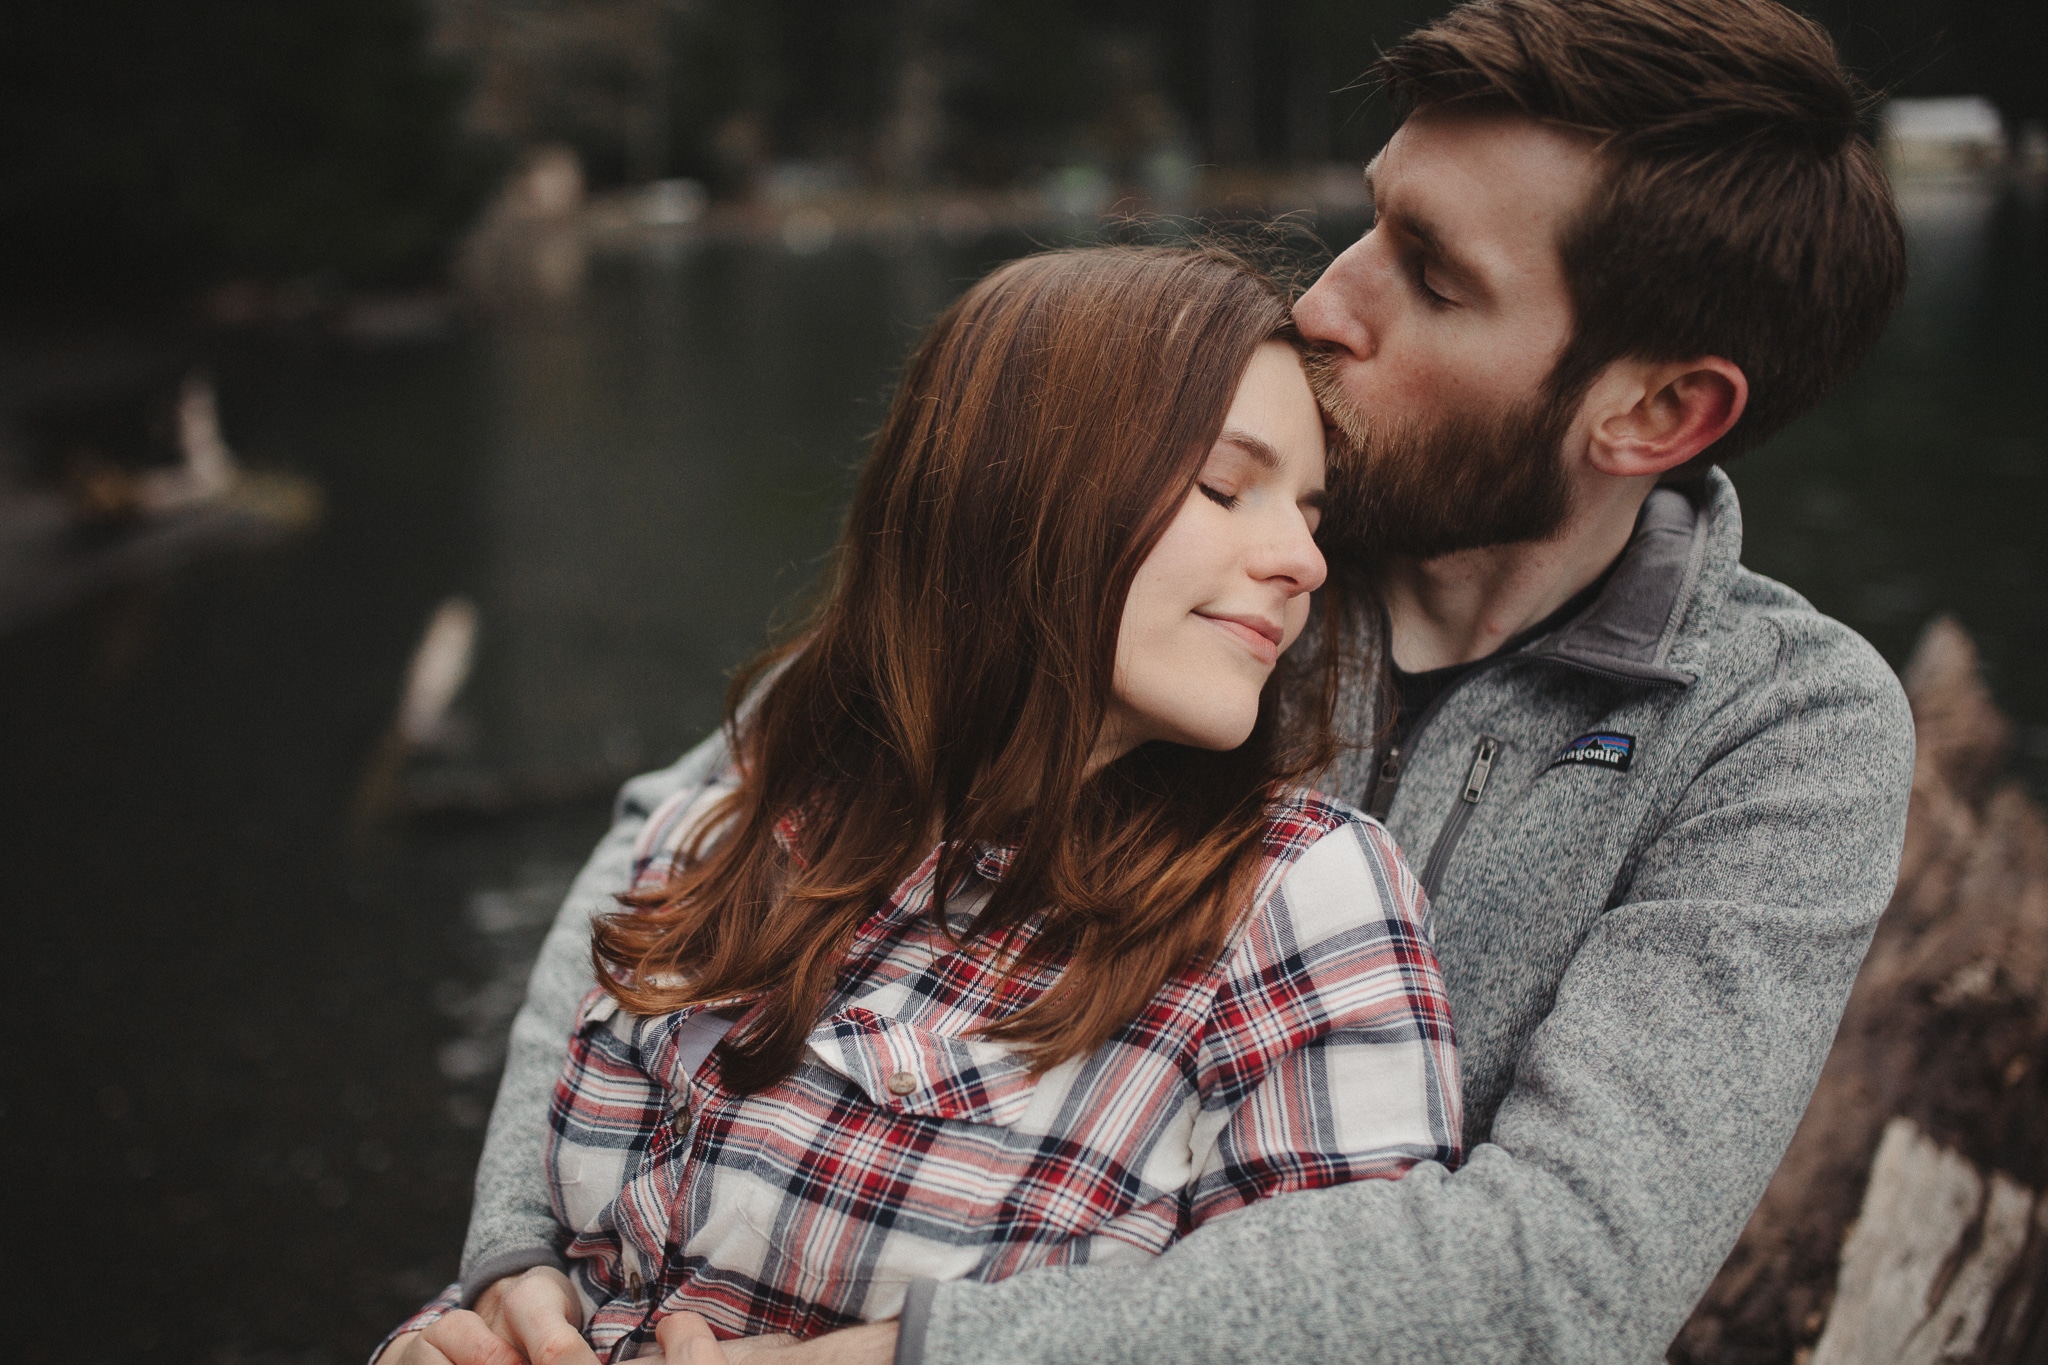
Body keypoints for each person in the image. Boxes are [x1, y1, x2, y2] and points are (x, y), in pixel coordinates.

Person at [397, 0, 1918, 1360]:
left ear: (1654, 410)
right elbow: (684, 840)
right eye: (1373, 219)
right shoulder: (1153, 547)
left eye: (1434, 280)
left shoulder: (1780, 730)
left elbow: (1560, 1276)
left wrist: (917, 1358)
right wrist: (524, 1265)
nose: (1327, 301)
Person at [381, 247, 1464, 1363]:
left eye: (1310, 512)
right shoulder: (723, 835)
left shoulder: (1296, 903)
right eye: (1226, 489)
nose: (1302, 561)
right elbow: (578, 1273)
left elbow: (1362, 1330)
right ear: (1017, 492)